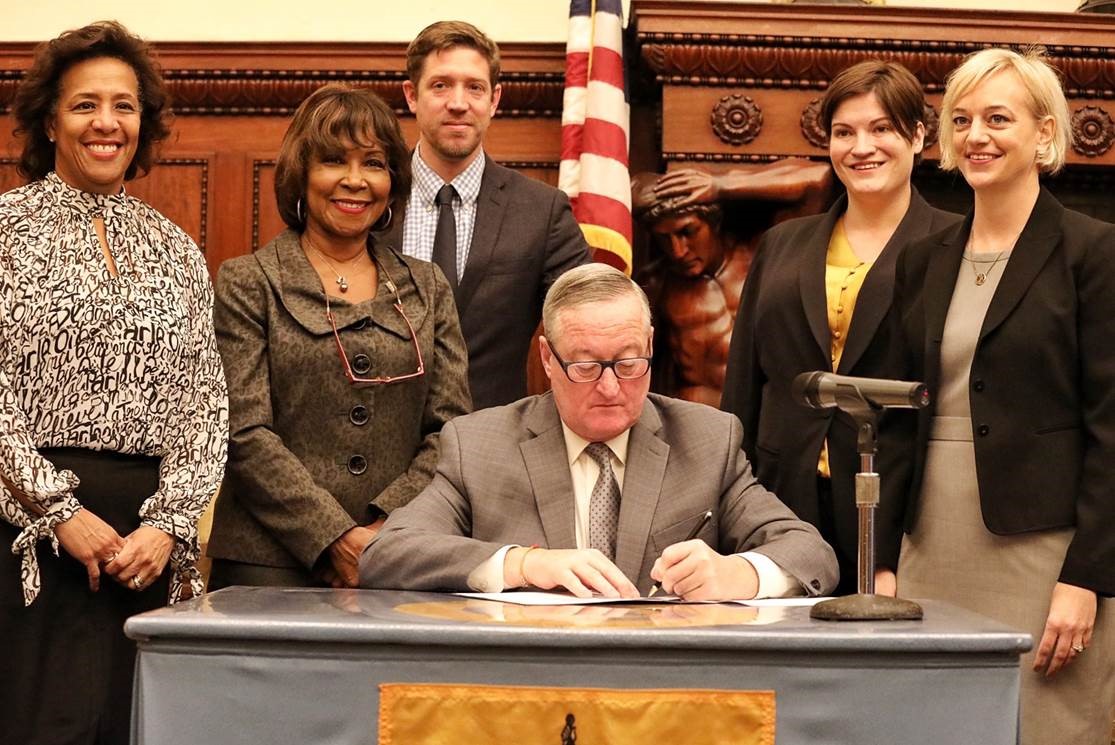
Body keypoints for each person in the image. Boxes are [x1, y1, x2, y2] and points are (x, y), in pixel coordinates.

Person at [0, 21, 228, 744]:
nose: (107, 123)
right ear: (49, 119)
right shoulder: (3, 232)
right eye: (85, 105)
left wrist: (167, 523)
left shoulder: (176, 247)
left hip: (147, 548)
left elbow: (205, 402)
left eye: (124, 105)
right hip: (26, 538)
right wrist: (55, 508)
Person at [359, 263, 838, 600]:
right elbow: (388, 553)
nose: (611, 387)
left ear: (650, 346)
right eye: (586, 366)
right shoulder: (479, 445)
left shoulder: (707, 441)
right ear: (548, 358)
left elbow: (812, 554)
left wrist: (738, 573)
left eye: (629, 363)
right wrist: (524, 565)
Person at [894, 48, 1115, 745]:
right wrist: (881, 559)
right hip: (929, 541)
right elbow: (902, 411)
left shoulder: (1094, 252)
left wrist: (1087, 579)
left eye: (997, 118)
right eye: (960, 119)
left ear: (1044, 134)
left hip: (1045, 553)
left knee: (1051, 725)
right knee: (934, 725)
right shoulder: (921, 257)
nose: (975, 136)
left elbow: (1112, 429)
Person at [206, 84, 471, 590]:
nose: (355, 181)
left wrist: (381, 531)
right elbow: (243, 433)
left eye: (373, 163)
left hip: (397, 555)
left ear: (392, 181)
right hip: (265, 564)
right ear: (301, 175)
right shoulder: (248, 281)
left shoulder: (429, 286)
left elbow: (450, 430)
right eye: (333, 161)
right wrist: (333, 537)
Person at [718, 61, 959, 596]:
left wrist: (904, 550)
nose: (861, 147)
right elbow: (743, 386)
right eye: (844, 132)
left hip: (895, 510)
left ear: (918, 136)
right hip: (780, 503)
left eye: (881, 129)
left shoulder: (955, 247)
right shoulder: (782, 244)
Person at [377, 20, 591, 409]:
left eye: (474, 87)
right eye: (440, 85)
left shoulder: (541, 211)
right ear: (411, 95)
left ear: (493, 100)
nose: (458, 103)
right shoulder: (371, 200)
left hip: (492, 447)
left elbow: (589, 318)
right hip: (378, 446)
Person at [632, 161, 833, 405]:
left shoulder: (763, 254)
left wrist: (720, 184)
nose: (678, 251)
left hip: (769, 416)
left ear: (714, 222)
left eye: (688, 232)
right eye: (664, 239)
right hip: (700, 421)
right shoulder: (656, 283)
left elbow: (817, 179)